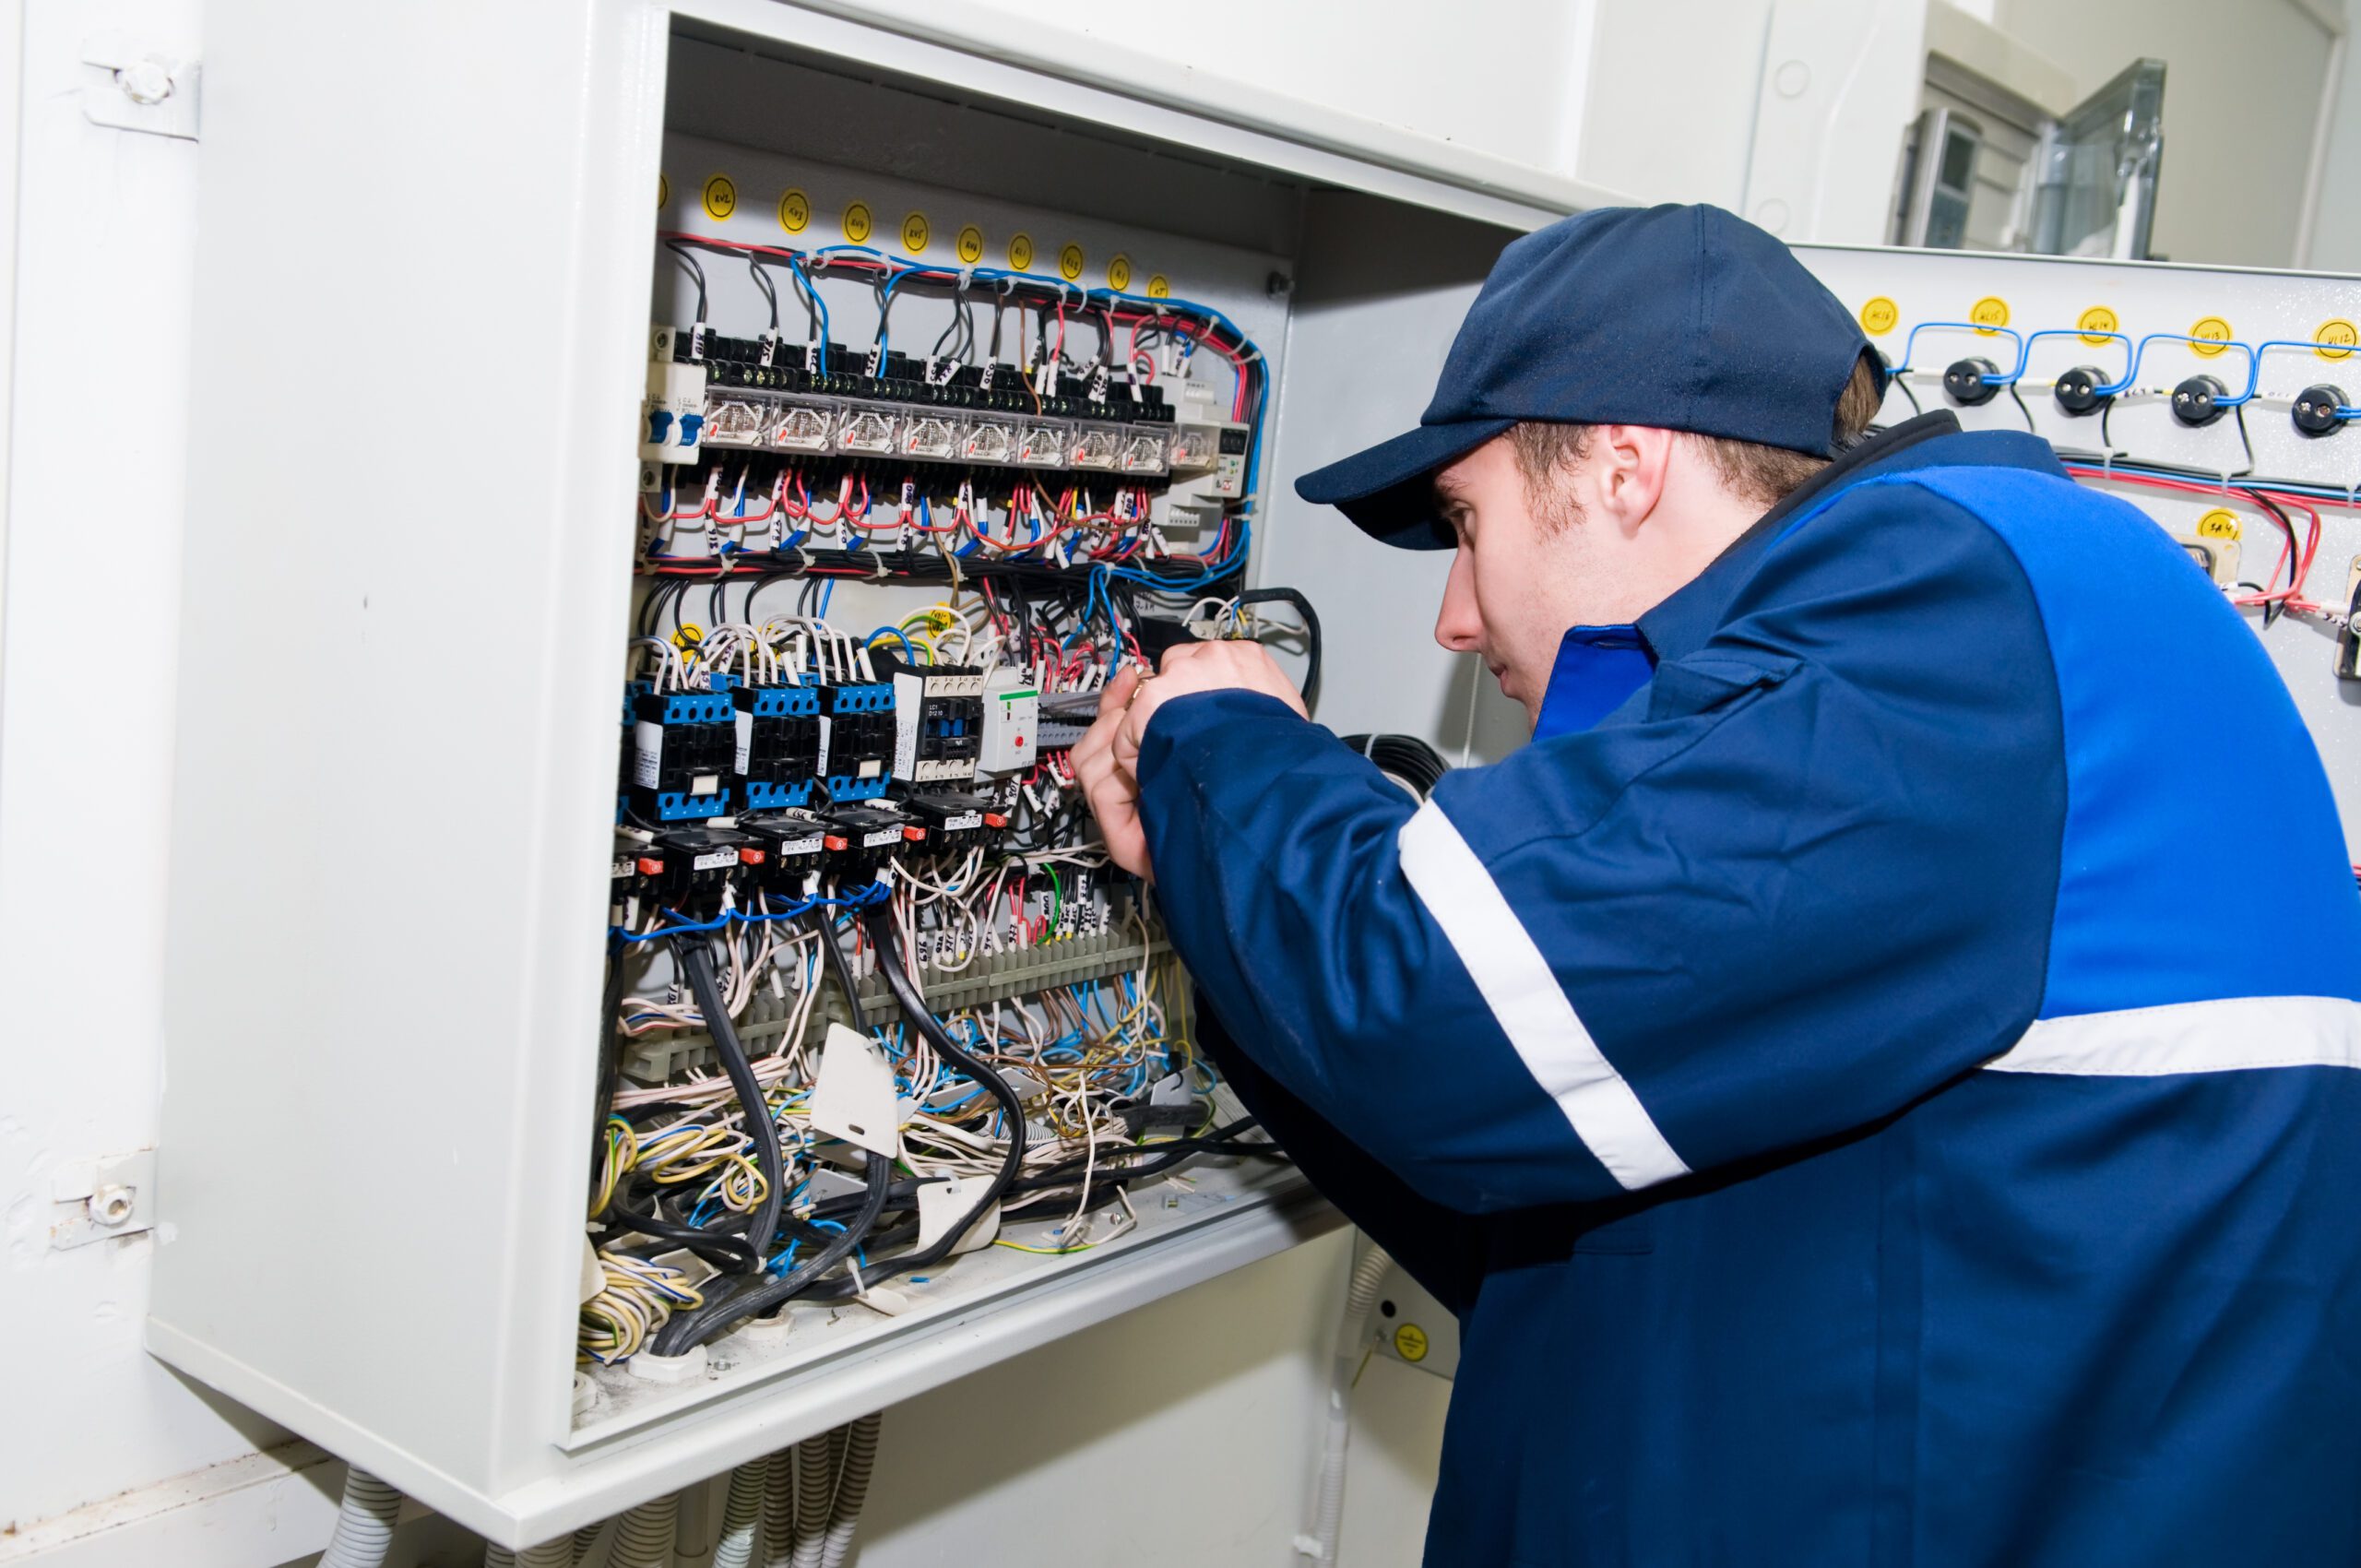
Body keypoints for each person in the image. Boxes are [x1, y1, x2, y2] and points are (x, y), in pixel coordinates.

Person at [1073, 204, 2361, 1565]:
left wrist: (1222, 737)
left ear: (1623, 466)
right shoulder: (1984, 608)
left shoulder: (1951, 606)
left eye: (1466, 523)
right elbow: (1527, 1181)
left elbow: (1434, 1012)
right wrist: (1223, 880)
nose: (1455, 616)